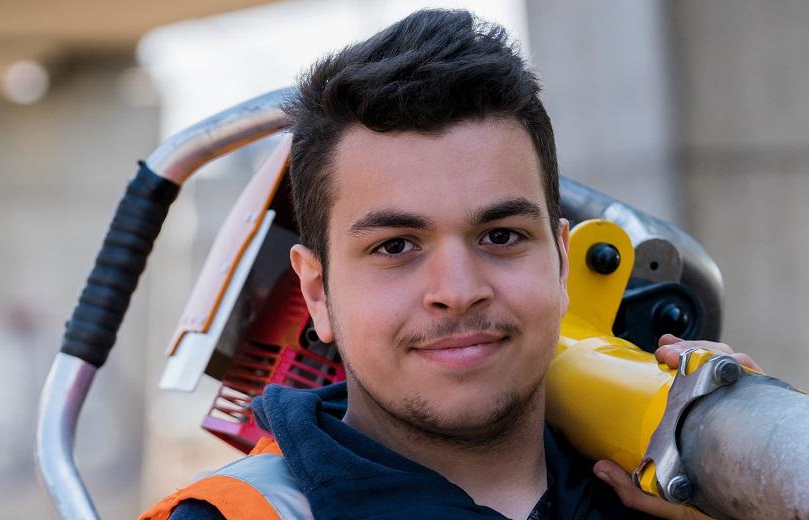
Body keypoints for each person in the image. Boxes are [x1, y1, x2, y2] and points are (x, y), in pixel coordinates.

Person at [140, 9, 760, 520]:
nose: (458, 291)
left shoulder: (671, 501)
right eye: (395, 246)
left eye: (500, 235)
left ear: (563, 264)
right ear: (319, 293)